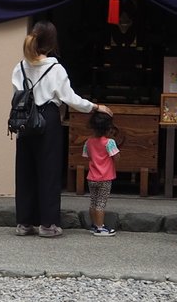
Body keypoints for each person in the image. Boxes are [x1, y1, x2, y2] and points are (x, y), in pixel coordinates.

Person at [13, 20, 110, 238]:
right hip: (47, 119)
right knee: (48, 171)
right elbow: (69, 98)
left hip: (24, 120)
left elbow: (16, 97)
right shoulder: (55, 68)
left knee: (25, 170)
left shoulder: (19, 67)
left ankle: (24, 223)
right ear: (50, 43)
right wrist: (94, 106)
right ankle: (47, 225)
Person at [82, 109, 119, 236]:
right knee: (101, 203)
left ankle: (93, 224)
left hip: (91, 176)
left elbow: (86, 156)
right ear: (108, 128)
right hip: (105, 177)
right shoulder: (110, 142)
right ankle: (100, 227)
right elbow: (116, 156)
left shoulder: (88, 142)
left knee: (93, 201)